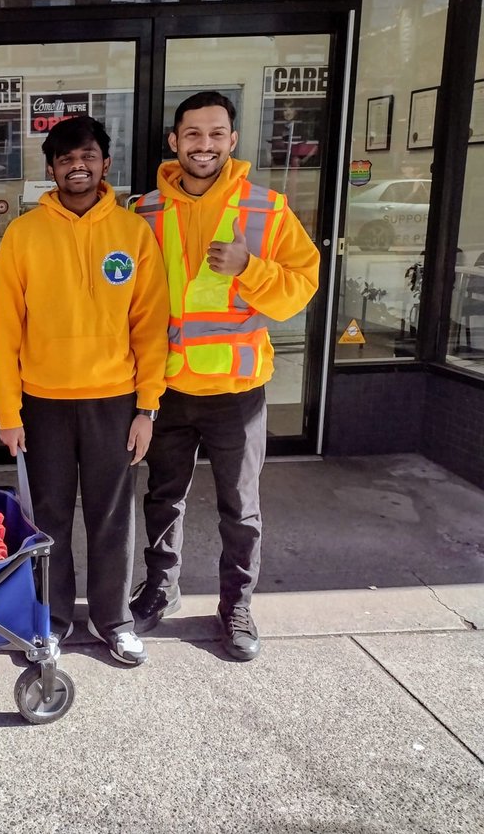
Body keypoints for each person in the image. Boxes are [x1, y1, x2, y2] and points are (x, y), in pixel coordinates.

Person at [130, 91, 320, 661]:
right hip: (164, 391)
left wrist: (249, 267)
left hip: (236, 393)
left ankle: (236, 605)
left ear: (232, 141)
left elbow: (301, 290)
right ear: (174, 141)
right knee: (163, 501)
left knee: (241, 509)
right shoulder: (143, 212)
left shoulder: (265, 209)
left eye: (216, 134)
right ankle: (159, 591)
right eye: (193, 134)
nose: (204, 145)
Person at [0, 116, 169, 666]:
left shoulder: (132, 233)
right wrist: (7, 412)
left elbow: (150, 324)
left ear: (105, 163)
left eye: (87, 156)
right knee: (48, 518)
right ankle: (54, 620)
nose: (77, 166)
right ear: (51, 169)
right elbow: (5, 331)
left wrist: (147, 407)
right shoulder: (23, 235)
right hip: (43, 403)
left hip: (114, 401)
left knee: (112, 516)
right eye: (66, 159)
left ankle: (113, 620)